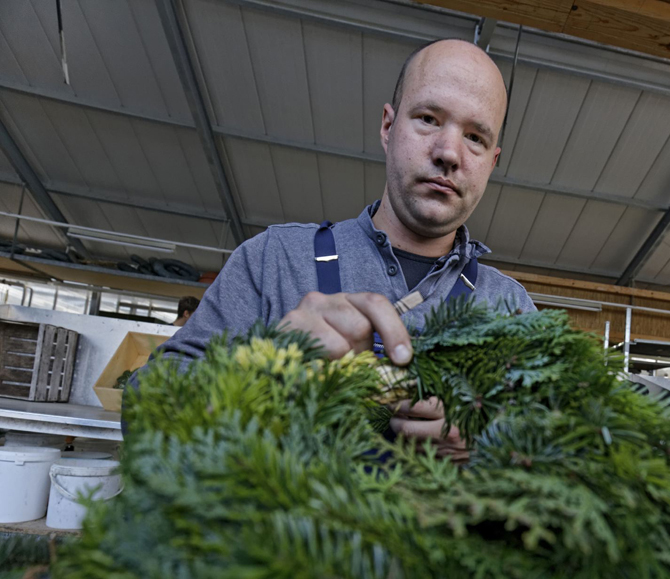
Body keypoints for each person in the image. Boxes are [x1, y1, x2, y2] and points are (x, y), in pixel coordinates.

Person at [131, 39, 535, 460]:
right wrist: (260, 373)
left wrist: (488, 441)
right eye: (429, 119)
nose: (449, 152)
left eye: (475, 137)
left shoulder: (511, 309)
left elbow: (565, 470)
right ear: (387, 126)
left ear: (492, 161)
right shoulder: (274, 261)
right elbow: (144, 408)